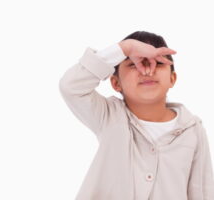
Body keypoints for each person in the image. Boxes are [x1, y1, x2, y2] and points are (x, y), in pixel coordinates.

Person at [58, 31, 214, 199]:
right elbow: (71, 87)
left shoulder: (192, 129)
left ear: (172, 78)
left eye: (159, 63)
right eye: (134, 64)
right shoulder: (109, 116)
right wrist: (125, 49)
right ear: (116, 83)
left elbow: (202, 192)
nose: (147, 70)